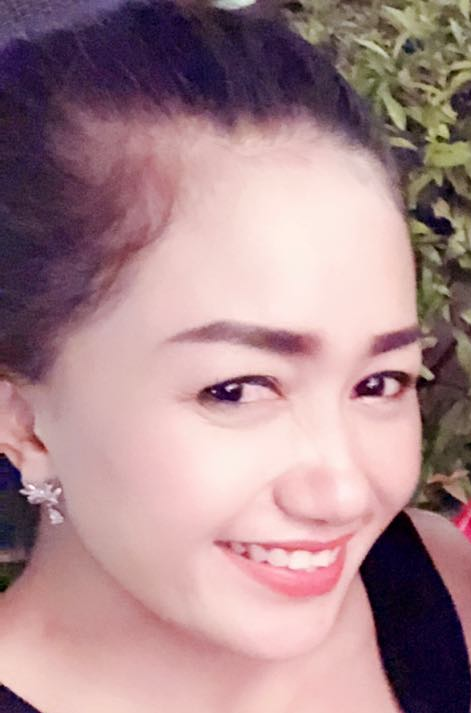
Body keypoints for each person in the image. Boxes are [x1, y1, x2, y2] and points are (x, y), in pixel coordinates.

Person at [0, 2, 470, 712]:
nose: (343, 493)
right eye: (237, 389)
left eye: (379, 382)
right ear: (23, 424)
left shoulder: (440, 590)